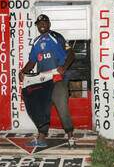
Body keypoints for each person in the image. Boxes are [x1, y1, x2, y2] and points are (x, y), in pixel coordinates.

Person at [19, 14, 75, 147]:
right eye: (39, 23)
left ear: (49, 24)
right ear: (37, 26)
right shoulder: (36, 42)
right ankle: (42, 137)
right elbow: (32, 61)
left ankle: (70, 135)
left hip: (57, 79)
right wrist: (23, 71)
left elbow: (71, 53)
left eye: (44, 22)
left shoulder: (57, 37)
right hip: (42, 81)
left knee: (62, 106)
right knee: (40, 108)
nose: (41, 25)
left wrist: (64, 67)